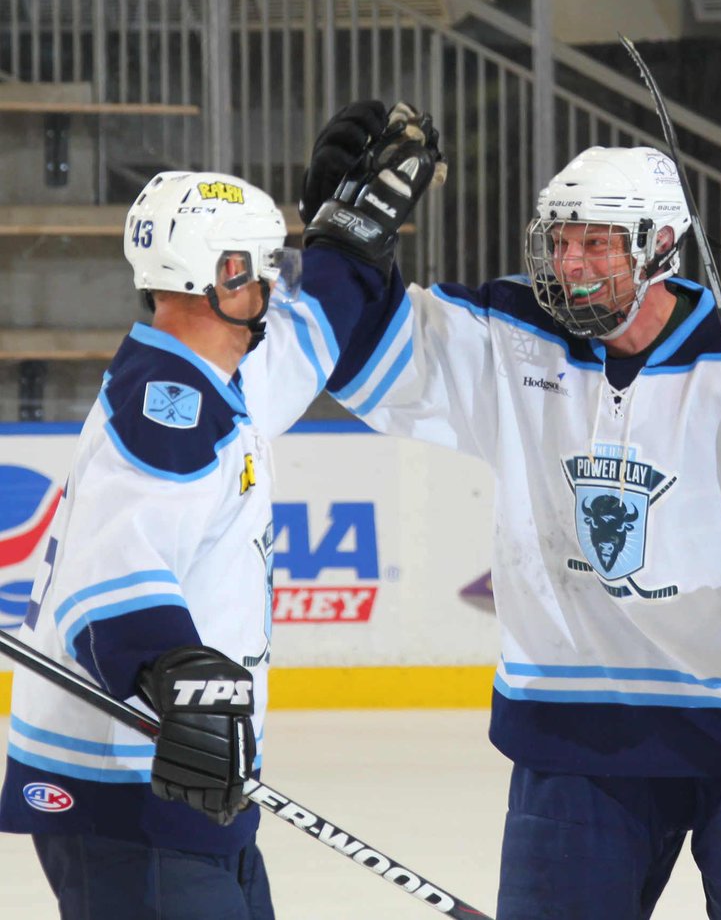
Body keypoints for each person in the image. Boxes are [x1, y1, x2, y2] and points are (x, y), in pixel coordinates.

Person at [296, 101, 721, 919]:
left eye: (599, 242)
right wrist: (341, 242)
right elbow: (359, 350)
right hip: (579, 731)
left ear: (659, 247)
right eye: (562, 239)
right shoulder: (512, 333)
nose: (572, 262)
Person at [0, 113, 439, 916]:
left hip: (188, 782)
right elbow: (115, 574)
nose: (276, 281)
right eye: (264, 266)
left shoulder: (214, 379)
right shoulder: (166, 414)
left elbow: (309, 336)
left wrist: (354, 241)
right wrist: (173, 665)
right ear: (221, 271)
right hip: (130, 786)